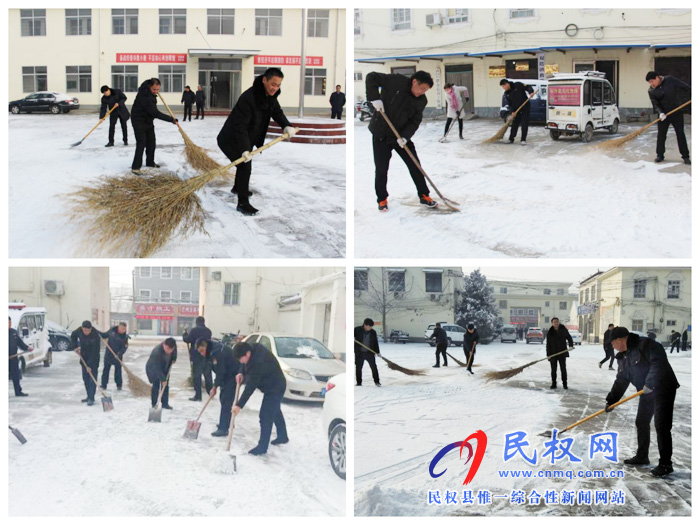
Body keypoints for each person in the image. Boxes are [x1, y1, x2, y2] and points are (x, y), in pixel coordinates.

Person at [217, 68, 298, 216]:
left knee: (243, 165)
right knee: (245, 165)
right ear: (264, 80)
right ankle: (243, 203)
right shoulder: (249, 98)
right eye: (273, 84)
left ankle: (238, 187)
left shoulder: (271, 96)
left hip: (245, 137)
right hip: (229, 139)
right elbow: (240, 127)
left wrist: (286, 126)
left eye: (278, 85)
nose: (275, 88)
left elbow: (277, 112)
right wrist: (244, 149)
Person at [604, 327, 680, 477]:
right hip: (646, 391)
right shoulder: (623, 357)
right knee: (642, 421)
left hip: (663, 388)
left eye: (612, 343)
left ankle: (666, 464)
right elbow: (621, 380)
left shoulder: (646, 345)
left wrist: (650, 383)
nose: (612, 347)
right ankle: (642, 456)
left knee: (661, 425)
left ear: (620, 340)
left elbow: (659, 363)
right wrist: (611, 400)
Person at [366, 70, 436, 212]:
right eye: (422, 88)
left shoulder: (421, 100)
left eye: (426, 90)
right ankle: (382, 199)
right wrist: (375, 98)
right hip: (381, 134)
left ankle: (424, 195)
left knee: (415, 165)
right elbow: (371, 77)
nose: (423, 92)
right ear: (414, 81)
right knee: (381, 169)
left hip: (400, 136)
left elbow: (415, 121)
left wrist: (405, 137)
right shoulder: (396, 81)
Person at [232, 342, 288, 456]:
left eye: (241, 359)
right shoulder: (251, 351)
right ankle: (283, 436)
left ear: (247, 354)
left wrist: (239, 405)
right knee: (274, 410)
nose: (240, 362)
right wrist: (240, 373)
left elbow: (251, 386)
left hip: (275, 387)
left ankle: (262, 447)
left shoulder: (259, 361)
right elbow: (243, 365)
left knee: (266, 415)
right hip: (270, 384)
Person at [130, 78, 178, 175]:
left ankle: (150, 162)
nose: (156, 92)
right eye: (154, 90)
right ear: (149, 87)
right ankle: (135, 167)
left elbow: (152, 113)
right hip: (138, 120)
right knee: (141, 143)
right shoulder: (145, 96)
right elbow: (155, 113)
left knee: (151, 142)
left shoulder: (150, 93)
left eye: (157, 90)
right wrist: (171, 120)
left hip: (148, 120)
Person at [645, 71, 690, 165]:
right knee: (661, 135)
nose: (652, 84)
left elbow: (685, 87)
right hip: (663, 116)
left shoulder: (670, 80)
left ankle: (685, 156)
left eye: (652, 81)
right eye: (649, 82)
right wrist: (661, 113)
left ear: (657, 78)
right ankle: (660, 155)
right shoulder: (651, 91)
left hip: (676, 112)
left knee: (680, 134)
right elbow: (656, 104)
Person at [202, 338, 241, 437]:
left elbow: (220, 371)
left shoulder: (218, 352)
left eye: (202, 351)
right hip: (227, 376)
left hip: (233, 376)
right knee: (224, 399)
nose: (202, 353)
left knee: (226, 401)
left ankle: (223, 428)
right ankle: (226, 422)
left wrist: (214, 387)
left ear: (206, 346)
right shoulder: (212, 351)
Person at [71, 321, 103, 406]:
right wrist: (75, 347)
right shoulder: (79, 331)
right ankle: (88, 396)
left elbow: (95, 352)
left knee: (92, 379)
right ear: (82, 328)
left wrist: (90, 365)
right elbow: (73, 336)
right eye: (84, 330)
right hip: (83, 357)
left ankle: (91, 398)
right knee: (85, 378)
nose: (86, 332)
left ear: (91, 329)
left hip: (94, 358)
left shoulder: (95, 336)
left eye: (88, 330)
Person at [182, 316, 213, 401]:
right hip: (206, 356)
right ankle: (211, 393)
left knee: (197, 376)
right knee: (208, 375)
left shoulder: (194, 330)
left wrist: (184, 335)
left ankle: (198, 396)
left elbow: (188, 340)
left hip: (196, 356)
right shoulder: (208, 331)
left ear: (196, 322)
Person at [145, 337, 177, 409]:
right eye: (168, 349)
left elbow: (175, 351)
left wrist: (174, 358)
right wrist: (163, 379)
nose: (169, 351)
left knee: (165, 386)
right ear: (164, 345)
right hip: (153, 369)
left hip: (165, 367)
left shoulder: (173, 346)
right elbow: (156, 368)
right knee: (156, 386)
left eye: (171, 350)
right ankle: (154, 404)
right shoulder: (157, 352)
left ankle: (165, 404)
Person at [499, 79, 534, 145]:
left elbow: (528, 87)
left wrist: (531, 92)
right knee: (514, 124)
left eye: (504, 86)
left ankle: (523, 140)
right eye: (502, 87)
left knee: (524, 124)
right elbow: (510, 104)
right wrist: (512, 111)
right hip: (516, 110)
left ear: (507, 84)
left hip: (525, 108)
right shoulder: (507, 93)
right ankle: (511, 139)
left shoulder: (518, 85)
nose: (503, 88)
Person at [99, 322, 129, 390]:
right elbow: (104, 335)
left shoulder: (125, 337)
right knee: (106, 370)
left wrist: (119, 354)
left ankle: (119, 385)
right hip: (108, 355)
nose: (123, 330)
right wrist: (98, 333)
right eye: (121, 328)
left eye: (124, 329)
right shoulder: (112, 331)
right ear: (118, 327)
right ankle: (104, 385)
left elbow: (124, 347)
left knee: (118, 371)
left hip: (117, 356)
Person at [546, 317, 573, 389]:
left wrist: (570, 345)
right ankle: (554, 383)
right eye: (554, 322)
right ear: (552, 323)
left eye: (557, 321)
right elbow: (548, 344)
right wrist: (548, 354)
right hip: (553, 353)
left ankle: (565, 384)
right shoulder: (550, 332)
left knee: (563, 369)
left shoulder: (563, 329)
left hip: (562, 352)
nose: (556, 323)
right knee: (553, 370)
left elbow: (569, 338)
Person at [354, 318, 381, 386]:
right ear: (365, 325)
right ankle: (359, 382)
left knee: (373, 367)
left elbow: (375, 342)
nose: (370, 328)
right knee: (358, 368)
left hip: (369, 353)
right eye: (369, 326)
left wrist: (377, 352)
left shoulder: (373, 332)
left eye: (371, 327)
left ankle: (377, 381)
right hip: (359, 353)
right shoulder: (357, 330)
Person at [9, 317, 30, 397]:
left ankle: (18, 392)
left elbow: (19, 343)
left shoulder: (13, 332)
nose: (9, 325)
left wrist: (27, 348)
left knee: (16, 376)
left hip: (13, 358)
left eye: (10, 323)